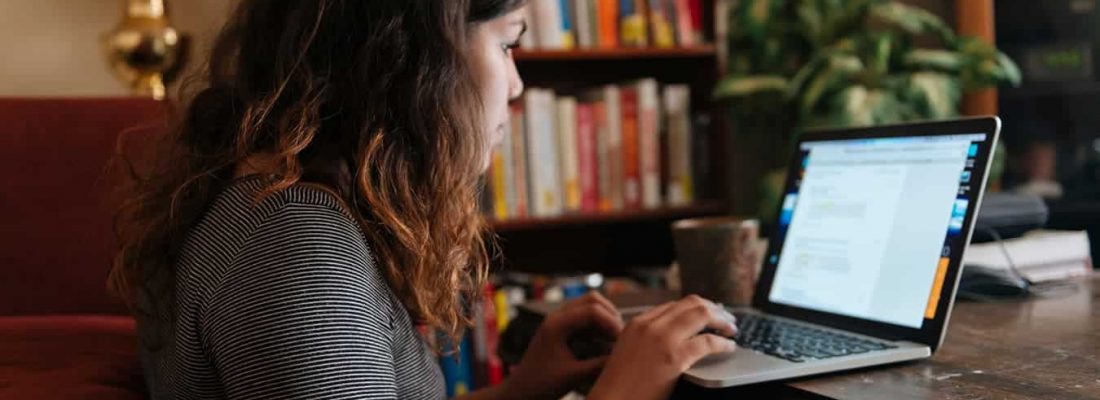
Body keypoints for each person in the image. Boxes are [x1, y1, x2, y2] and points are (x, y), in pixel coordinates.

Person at [109, 1, 738, 399]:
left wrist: (522, 391)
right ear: (412, 57)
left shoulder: (282, 208)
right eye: (506, 42)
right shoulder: (294, 243)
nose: (517, 84)